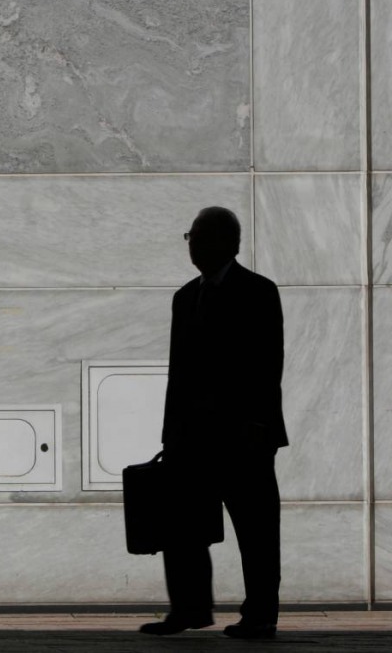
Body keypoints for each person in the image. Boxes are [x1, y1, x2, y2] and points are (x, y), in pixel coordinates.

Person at [140, 207, 287, 640]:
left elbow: (267, 364)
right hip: (192, 437)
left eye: (202, 237)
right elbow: (178, 373)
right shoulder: (185, 297)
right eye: (192, 237)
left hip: (244, 435)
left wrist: (260, 424)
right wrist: (170, 435)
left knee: (256, 532)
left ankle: (260, 614)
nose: (194, 245)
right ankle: (189, 609)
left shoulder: (259, 291)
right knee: (182, 528)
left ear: (231, 243)